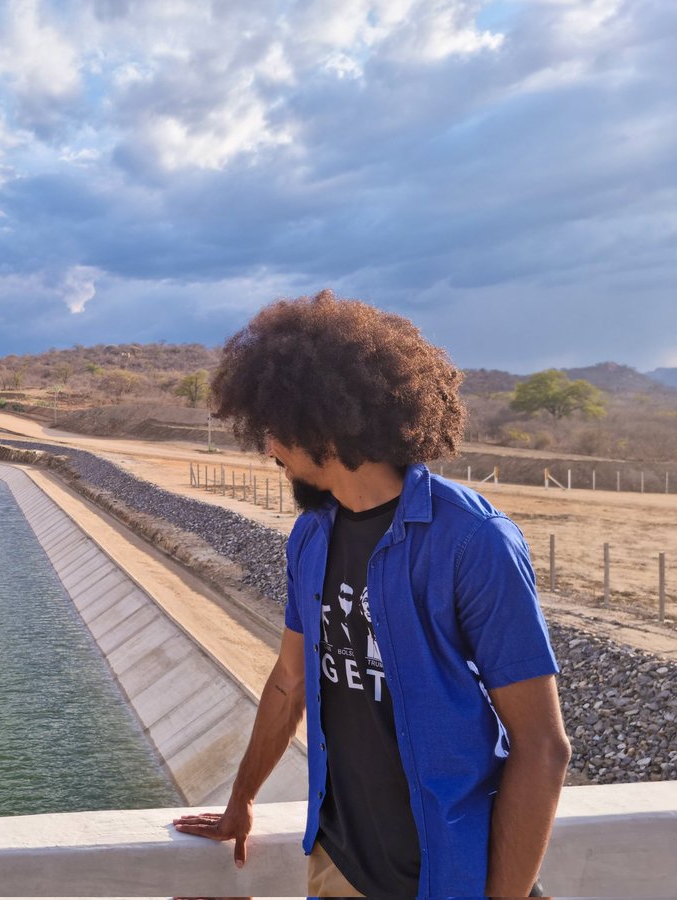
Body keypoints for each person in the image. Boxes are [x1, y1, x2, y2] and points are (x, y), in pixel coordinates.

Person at [173, 291, 570, 898]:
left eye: (274, 431)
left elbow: (542, 747)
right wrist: (240, 800)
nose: (268, 449)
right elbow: (288, 681)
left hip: (447, 877)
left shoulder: (474, 543)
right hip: (339, 865)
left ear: (319, 427)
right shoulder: (310, 537)